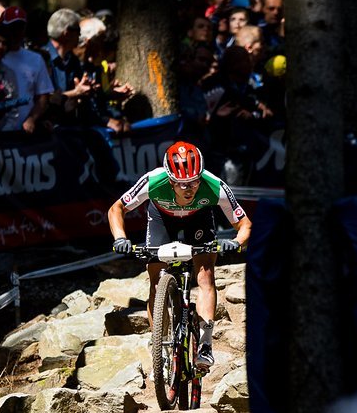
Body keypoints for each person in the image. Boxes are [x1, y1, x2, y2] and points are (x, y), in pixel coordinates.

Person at [107, 141, 252, 372]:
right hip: (162, 220)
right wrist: (120, 238)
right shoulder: (153, 181)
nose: (188, 189)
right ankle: (159, 348)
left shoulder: (215, 186)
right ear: (169, 178)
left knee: (205, 276)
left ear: (201, 175)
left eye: (194, 182)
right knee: (155, 281)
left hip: (199, 219)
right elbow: (116, 209)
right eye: (180, 183)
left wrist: (234, 243)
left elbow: (245, 225)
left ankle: (205, 345)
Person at [0, 5, 54, 133]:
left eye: (20, 27)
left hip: (25, 133)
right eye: (12, 27)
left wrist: (32, 119)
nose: (16, 32)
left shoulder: (36, 59)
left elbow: (43, 96)